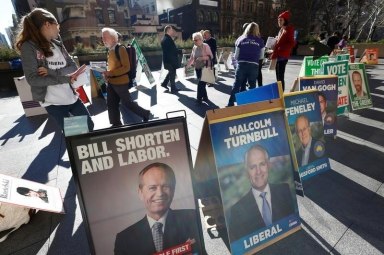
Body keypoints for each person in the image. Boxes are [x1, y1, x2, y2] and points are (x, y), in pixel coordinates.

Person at [15, 8, 94, 132]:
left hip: (70, 96)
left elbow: (73, 66)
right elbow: (33, 80)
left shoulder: (57, 44)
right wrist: (65, 78)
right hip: (53, 103)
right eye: (57, 24)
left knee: (89, 126)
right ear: (47, 24)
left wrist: (52, 72)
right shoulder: (28, 47)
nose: (59, 28)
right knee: (76, 134)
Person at [114, 162, 203, 255]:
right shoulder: (124, 239)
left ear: (173, 190)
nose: (160, 193)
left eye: (166, 186)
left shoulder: (194, 218)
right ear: (140, 193)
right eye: (152, 188)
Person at [228, 145, 295, 241]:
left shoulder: (284, 190)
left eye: (262, 164)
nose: (258, 171)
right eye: (252, 167)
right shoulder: (236, 211)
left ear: (268, 165)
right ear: (247, 172)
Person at [101, 28, 150, 126]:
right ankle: (116, 124)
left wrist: (111, 73)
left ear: (113, 38)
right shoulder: (110, 50)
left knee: (127, 103)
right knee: (111, 104)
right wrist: (107, 74)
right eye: (102, 38)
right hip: (111, 82)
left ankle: (145, 113)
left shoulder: (121, 49)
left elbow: (126, 67)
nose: (103, 40)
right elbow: (112, 67)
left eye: (105, 37)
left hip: (121, 82)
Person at [227, 22, 265, 107]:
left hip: (242, 65)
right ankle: (250, 106)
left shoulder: (240, 39)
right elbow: (261, 56)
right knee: (252, 86)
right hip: (254, 66)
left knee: (237, 85)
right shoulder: (260, 41)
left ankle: (230, 103)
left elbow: (236, 56)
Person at [270, 10, 295, 92]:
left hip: (283, 56)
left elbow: (292, 43)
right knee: (278, 77)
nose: (279, 21)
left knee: (280, 77)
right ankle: (280, 93)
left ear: (285, 20)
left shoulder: (289, 30)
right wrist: (275, 43)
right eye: (278, 20)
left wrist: (279, 46)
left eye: (281, 20)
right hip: (278, 55)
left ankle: (281, 94)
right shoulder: (281, 30)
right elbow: (280, 42)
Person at [186, 32, 213, 104]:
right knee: (202, 84)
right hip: (197, 68)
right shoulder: (194, 47)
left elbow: (211, 56)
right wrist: (187, 65)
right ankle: (205, 97)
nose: (194, 41)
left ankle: (199, 99)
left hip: (205, 68)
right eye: (194, 40)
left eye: (196, 40)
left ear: (201, 39)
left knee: (200, 84)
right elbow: (192, 58)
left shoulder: (205, 46)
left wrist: (202, 58)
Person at [160, 25, 181, 93]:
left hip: (168, 60)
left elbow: (171, 50)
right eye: (171, 30)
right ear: (168, 30)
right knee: (172, 73)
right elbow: (172, 50)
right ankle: (173, 88)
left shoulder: (166, 38)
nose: (172, 31)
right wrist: (180, 51)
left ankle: (164, 83)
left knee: (171, 72)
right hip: (170, 60)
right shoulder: (167, 39)